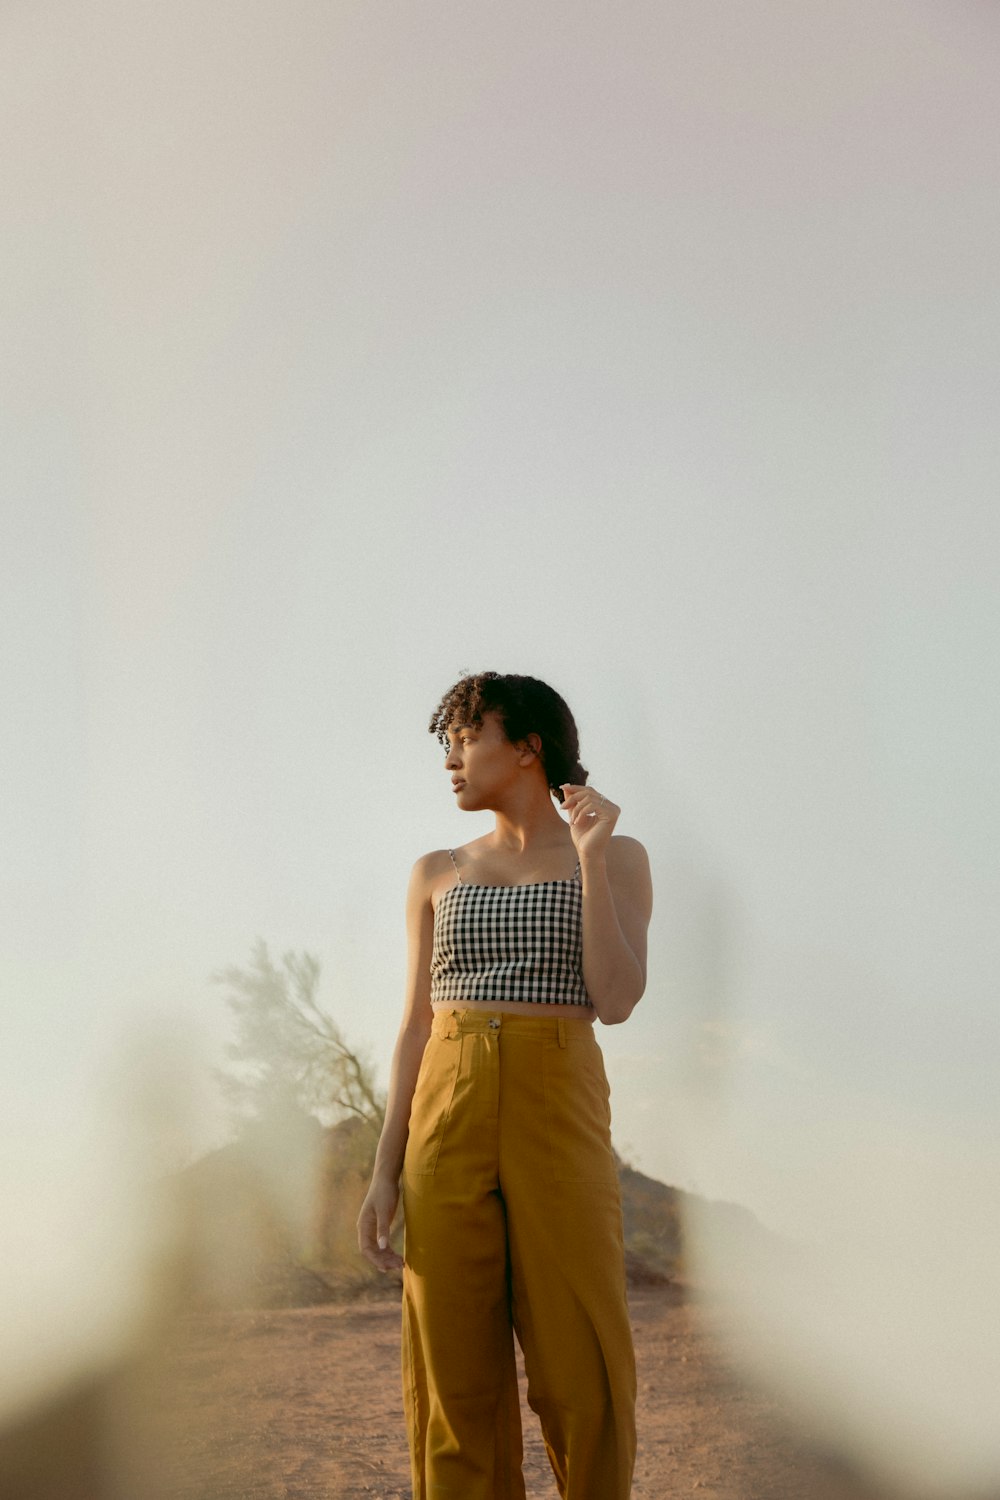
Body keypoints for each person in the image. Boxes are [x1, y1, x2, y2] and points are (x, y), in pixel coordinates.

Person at [357, 671, 653, 1500]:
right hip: (444, 1112)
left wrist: (590, 859)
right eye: (446, 744)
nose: (451, 759)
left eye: (466, 738)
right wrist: (386, 1169)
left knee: (579, 1365)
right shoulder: (434, 871)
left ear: (527, 747)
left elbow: (618, 998)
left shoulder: (618, 855)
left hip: (556, 1100)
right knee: (455, 1377)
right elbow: (414, 1026)